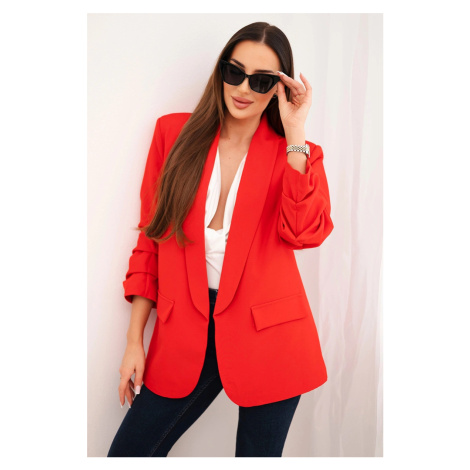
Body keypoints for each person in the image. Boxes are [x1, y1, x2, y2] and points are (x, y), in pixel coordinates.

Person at [107, 21, 334, 457]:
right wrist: (135, 341)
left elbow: (304, 233)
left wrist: (295, 133)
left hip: (272, 339)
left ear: (278, 88)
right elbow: (151, 242)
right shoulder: (173, 136)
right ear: (221, 71)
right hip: (184, 333)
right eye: (235, 72)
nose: (244, 88)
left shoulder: (298, 155)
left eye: (261, 80)